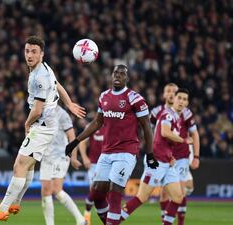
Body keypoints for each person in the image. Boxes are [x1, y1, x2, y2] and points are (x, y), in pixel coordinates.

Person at [0, 36, 86, 222]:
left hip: (42, 127)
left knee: (19, 165)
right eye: (27, 50)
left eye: (34, 51)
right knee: (27, 166)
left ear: (41, 54)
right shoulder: (46, 69)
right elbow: (58, 85)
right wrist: (69, 103)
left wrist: (27, 124)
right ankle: (15, 203)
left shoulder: (39, 77)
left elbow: (37, 110)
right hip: (47, 127)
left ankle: (3, 209)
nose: (29, 55)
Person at [65, 64, 158, 225]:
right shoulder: (104, 97)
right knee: (98, 195)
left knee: (115, 193)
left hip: (126, 152)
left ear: (127, 78)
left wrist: (150, 154)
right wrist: (75, 141)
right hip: (106, 153)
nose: (118, 76)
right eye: (115, 73)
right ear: (111, 75)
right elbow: (96, 123)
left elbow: (147, 128)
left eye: (122, 74)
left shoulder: (135, 98)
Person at [120, 88, 193, 225]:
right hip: (156, 162)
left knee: (178, 197)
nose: (181, 101)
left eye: (185, 99)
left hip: (166, 162)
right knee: (142, 197)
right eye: (179, 98)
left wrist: (170, 155)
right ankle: (113, 221)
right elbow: (165, 132)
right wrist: (183, 140)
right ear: (174, 99)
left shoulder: (176, 118)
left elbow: (162, 139)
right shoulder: (168, 114)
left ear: (187, 103)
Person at [150, 84, 200, 224]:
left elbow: (194, 134)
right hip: (163, 157)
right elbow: (149, 132)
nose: (171, 94)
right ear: (164, 94)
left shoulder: (186, 113)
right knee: (165, 192)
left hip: (181, 156)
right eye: (168, 91)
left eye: (174, 91)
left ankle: (180, 222)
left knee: (182, 191)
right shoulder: (157, 112)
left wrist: (196, 156)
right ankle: (164, 221)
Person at [39, 105, 86, 225]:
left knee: (56, 189)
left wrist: (74, 158)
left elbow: (72, 137)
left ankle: (80, 220)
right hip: (46, 156)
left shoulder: (62, 114)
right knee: (45, 190)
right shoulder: (39, 111)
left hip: (60, 155)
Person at [78, 127, 105, 225]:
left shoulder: (113, 123)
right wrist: (85, 158)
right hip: (94, 164)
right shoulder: (93, 125)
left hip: (109, 163)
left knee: (110, 192)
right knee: (94, 191)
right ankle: (87, 215)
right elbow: (82, 142)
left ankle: (109, 220)